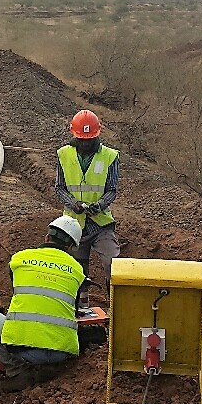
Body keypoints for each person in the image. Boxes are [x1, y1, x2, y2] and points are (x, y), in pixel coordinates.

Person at [0, 216, 85, 391]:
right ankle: (48, 368)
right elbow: (74, 307)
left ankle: (16, 371)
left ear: (46, 237)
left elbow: (20, 292)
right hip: (61, 353)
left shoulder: (19, 259)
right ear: (71, 247)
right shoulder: (77, 269)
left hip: (25, 350)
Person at [55, 109, 120, 291]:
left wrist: (99, 205)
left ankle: (115, 304)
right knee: (76, 270)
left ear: (96, 136)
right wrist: (73, 204)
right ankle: (79, 309)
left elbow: (111, 190)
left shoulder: (109, 156)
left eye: (89, 139)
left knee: (113, 264)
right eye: (81, 139)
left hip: (100, 223)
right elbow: (60, 188)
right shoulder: (64, 155)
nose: (85, 143)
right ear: (74, 135)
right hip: (73, 225)